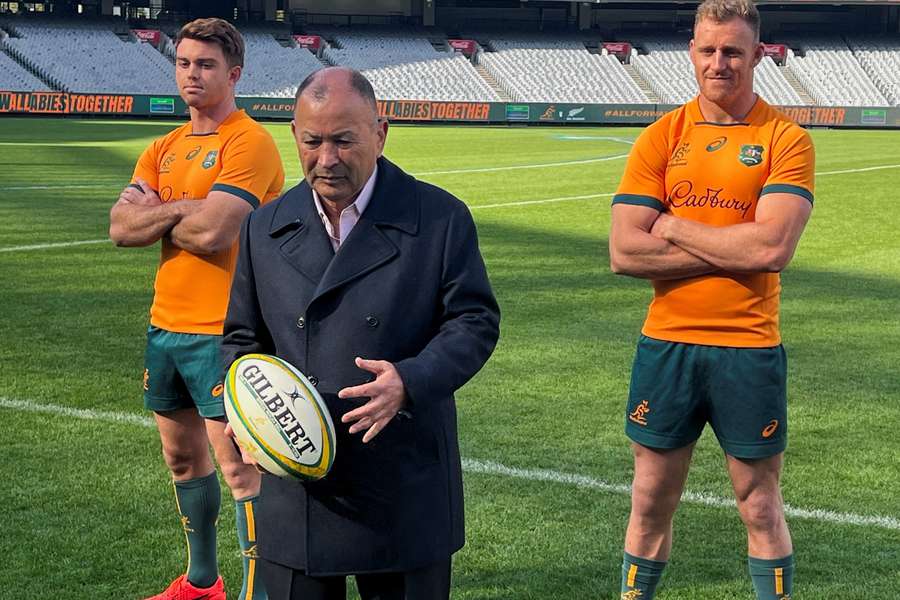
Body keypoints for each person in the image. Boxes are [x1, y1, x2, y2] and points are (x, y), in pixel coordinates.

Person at [220, 67, 500, 600]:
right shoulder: (263, 225)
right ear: (294, 137)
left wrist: (409, 380)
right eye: (312, 141)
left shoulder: (440, 218)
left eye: (344, 140)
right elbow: (240, 338)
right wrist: (243, 412)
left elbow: (475, 321)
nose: (327, 159)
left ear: (381, 132)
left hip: (402, 480)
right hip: (297, 488)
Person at [608, 1, 814, 599]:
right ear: (692, 53)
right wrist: (734, 246)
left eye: (733, 51)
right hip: (667, 342)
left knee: (759, 504)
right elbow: (624, 252)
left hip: (747, 347)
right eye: (708, 50)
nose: (719, 62)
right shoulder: (661, 137)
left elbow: (773, 247)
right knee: (649, 500)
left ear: (756, 56)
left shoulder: (785, 139)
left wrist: (671, 226)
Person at [109, 17, 284, 600]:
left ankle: (256, 593)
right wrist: (190, 208)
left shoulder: (248, 142)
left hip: (225, 333)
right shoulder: (163, 146)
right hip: (167, 328)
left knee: (240, 470)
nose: (191, 74)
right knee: (183, 462)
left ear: (233, 74)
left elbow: (214, 234)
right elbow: (119, 228)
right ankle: (202, 583)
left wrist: (164, 210)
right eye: (183, 63)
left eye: (205, 64)